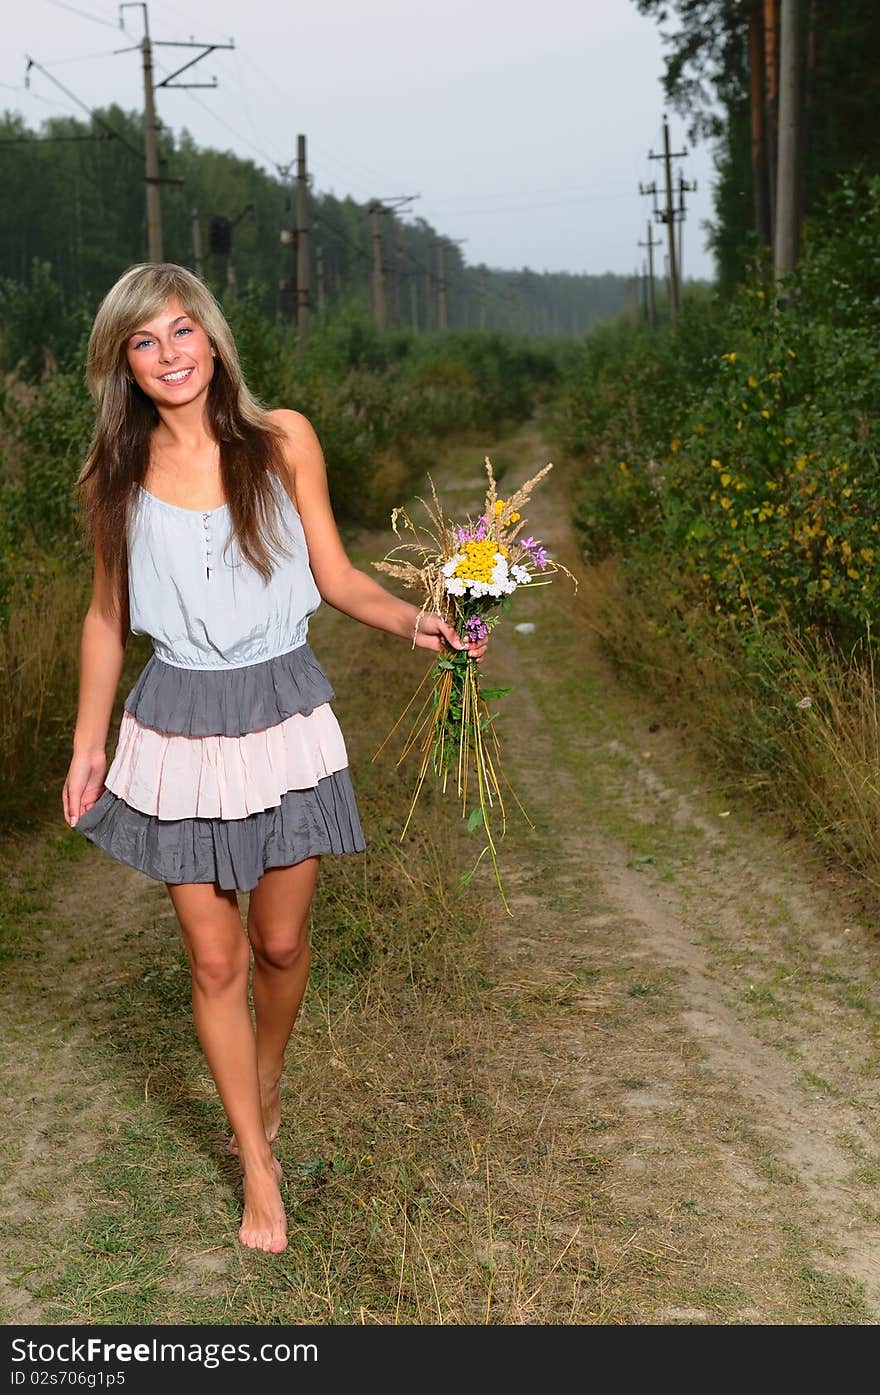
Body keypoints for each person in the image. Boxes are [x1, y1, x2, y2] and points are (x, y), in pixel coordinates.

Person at [62, 263, 489, 1255]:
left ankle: (268, 1076)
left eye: (183, 333)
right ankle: (257, 1161)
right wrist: (91, 745)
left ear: (212, 341)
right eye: (145, 341)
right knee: (213, 961)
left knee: (280, 949)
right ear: (123, 362)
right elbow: (103, 617)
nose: (169, 356)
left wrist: (412, 620)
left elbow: (335, 574)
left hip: (282, 707)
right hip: (177, 718)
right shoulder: (115, 478)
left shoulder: (282, 439)